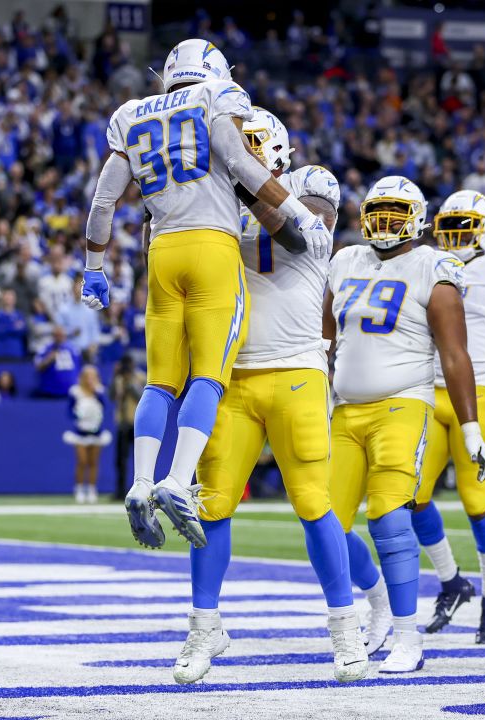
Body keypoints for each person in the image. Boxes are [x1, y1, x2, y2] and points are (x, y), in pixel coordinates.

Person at [80, 38, 333, 551]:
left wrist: (93, 268)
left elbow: (105, 199)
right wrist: (301, 212)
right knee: (210, 377)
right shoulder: (217, 95)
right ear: (216, 70)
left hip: (161, 249)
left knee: (159, 382)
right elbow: (240, 163)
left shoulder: (130, 113)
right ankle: (176, 480)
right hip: (212, 244)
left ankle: (141, 482)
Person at [173, 109, 367, 684]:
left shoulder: (305, 212)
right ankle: (205, 625)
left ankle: (345, 627)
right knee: (212, 505)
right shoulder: (220, 209)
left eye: (253, 145)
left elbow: (290, 225)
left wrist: (233, 177)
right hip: (231, 379)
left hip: (297, 374)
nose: (245, 152)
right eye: (240, 144)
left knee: (312, 502)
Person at [325, 175, 485, 674]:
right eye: (378, 211)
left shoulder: (433, 266)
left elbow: (455, 354)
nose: (385, 222)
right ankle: (376, 599)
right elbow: (324, 339)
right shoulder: (345, 260)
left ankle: (407, 636)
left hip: (404, 403)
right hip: (345, 409)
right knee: (325, 523)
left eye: (397, 212)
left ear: (417, 218)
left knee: (390, 517)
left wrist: (470, 427)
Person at [410, 189, 485, 643]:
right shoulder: (427, 260)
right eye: (450, 225)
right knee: (411, 497)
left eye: (466, 226)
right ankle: (451, 582)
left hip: (479, 393)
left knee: (477, 502)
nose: (456, 235)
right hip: (426, 391)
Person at [63, 365, 112, 504]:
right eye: (88, 376)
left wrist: (96, 391)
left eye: (93, 376)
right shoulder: (75, 392)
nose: (90, 379)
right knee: (82, 461)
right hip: (80, 432)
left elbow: (104, 407)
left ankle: (91, 489)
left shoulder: (100, 391)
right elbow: (69, 411)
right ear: (83, 378)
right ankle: (79, 489)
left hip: (96, 432)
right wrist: (78, 415)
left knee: (93, 462)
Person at [110, 354, 145, 500]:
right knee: (120, 460)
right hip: (122, 422)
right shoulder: (118, 379)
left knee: (141, 459)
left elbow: (142, 396)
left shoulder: (140, 376)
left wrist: (130, 384)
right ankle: (120, 490)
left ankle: (142, 490)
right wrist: (115, 378)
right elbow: (112, 396)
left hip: (137, 421)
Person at [34, 325, 81, 398]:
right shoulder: (45, 349)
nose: (59, 337)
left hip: (71, 392)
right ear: (53, 336)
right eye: (57, 335)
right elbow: (38, 367)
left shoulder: (73, 349)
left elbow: (79, 368)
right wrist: (48, 359)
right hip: (51, 392)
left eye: (61, 335)